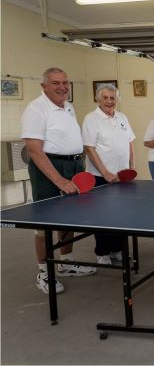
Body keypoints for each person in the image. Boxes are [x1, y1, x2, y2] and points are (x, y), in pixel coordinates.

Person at [21, 67, 96, 294]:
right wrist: (60, 180)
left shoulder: (68, 107)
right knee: (44, 222)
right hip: (50, 167)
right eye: (56, 83)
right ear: (44, 86)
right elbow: (34, 150)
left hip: (73, 165)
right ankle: (44, 272)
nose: (62, 87)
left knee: (68, 218)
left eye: (65, 82)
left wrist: (77, 167)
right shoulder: (36, 109)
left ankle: (66, 262)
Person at [82, 84, 135, 265]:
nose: (109, 101)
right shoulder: (91, 119)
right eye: (105, 98)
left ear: (117, 99)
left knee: (121, 215)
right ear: (98, 98)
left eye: (113, 98)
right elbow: (89, 148)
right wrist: (105, 173)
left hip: (122, 177)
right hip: (100, 177)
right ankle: (102, 252)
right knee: (103, 217)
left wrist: (131, 167)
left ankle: (117, 249)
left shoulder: (123, 117)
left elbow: (129, 143)